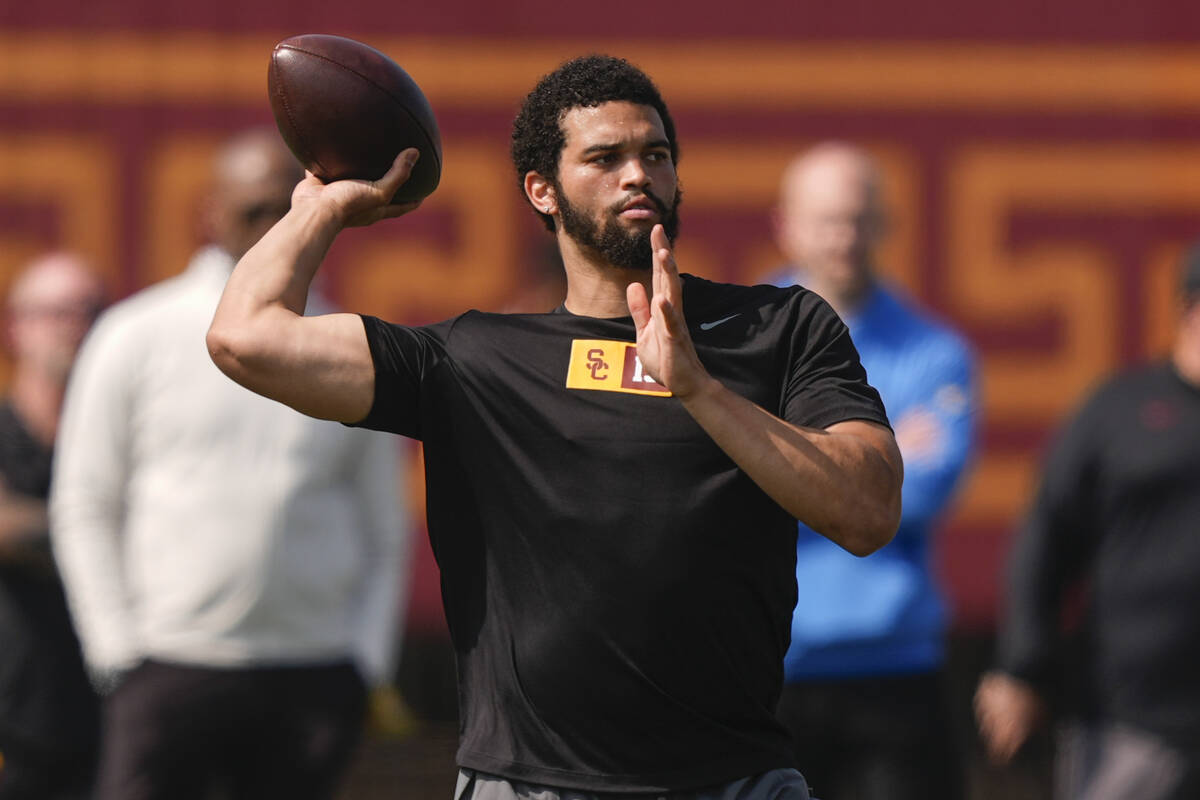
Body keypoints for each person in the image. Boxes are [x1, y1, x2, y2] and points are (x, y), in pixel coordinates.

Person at [206, 55, 904, 800]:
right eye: (604, 158)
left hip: (734, 780)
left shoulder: (778, 327)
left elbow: (866, 509)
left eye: (656, 155)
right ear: (542, 191)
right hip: (530, 784)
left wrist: (700, 389)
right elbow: (243, 337)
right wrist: (322, 207)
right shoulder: (478, 359)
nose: (637, 175)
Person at [50, 128, 410, 800]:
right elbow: (85, 504)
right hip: (169, 666)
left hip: (313, 672)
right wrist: (119, 657)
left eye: (287, 208)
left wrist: (366, 662)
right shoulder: (137, 335)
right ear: (211, 213)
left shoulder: (350, 345)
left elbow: (383, 527)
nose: (273, 226)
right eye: (253, 210)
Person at [766, 143, 976, 799]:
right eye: (828, 219)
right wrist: (875, 457)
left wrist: (777, 454)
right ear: (787, 224)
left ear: (883, 226)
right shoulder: (733, 338)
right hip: (763, 666)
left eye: (858, 219)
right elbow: (714, 493)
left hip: (894, 667)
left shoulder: (935, 351)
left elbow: (921, 494)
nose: (844, 237)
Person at [974, 245, 1200, 799]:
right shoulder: (1120, 411)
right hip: (1133, 720)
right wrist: (1021, 666)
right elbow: (1045, 544)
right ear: (1191, 310)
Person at [0, 253, 105, 799]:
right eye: (55, 312)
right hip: (13, 728)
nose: (74, 327)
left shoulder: (120, 447)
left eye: (90, 311)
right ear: (16, 326)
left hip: (110, 725)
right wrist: (105, 532)